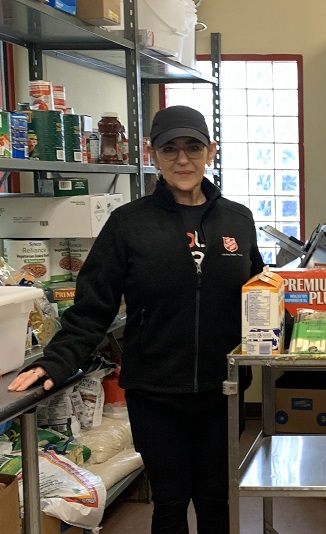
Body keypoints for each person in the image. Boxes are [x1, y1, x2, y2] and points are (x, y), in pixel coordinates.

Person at [8, 105, 265, 534]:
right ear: (152, 155)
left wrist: (304, 326)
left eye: (193, 147)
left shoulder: (238, 219)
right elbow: (93, 306)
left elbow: (260, 293)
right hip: (155, 391)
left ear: (211, 151)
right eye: (170, 149)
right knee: (168, 502)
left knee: (217, 500)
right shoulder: (129, 224)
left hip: (225, 390)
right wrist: (55, 361)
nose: (183, 160)